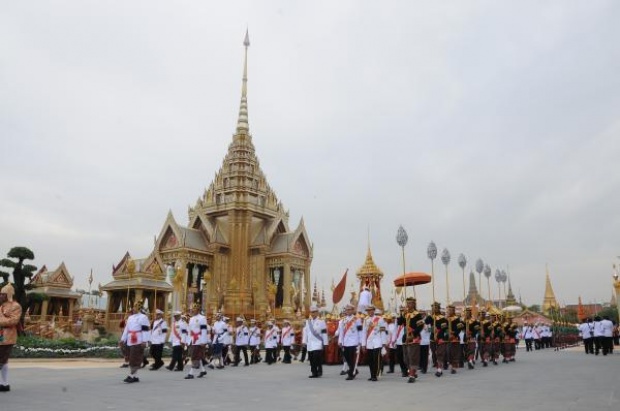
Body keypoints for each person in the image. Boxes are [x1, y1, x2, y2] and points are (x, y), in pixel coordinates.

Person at [119, 300, 151, 383]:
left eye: (136, 307)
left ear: (139, 308)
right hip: (130, 339)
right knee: (130, 357)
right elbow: (126, 329)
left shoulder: (143, 317)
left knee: (135, 358)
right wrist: (123, 339)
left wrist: (144, 341)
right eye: (134, 307)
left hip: (138, 340)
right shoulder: (130, 317)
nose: (133, 308)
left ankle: (131, 376)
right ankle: (135, 376)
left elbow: (145, 330)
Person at [0, 283, 22, 392]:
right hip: (0, 335)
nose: (0, 296)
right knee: (3, 361)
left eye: (3, 294)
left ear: (8, 294)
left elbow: (13, 321)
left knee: (2, 359)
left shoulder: (16, 306)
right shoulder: (1, 306)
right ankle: (4, 383)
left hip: (7, 337)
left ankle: (4, 383)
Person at [401, 297, 425, 383]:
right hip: (405, 337)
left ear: (414, 304)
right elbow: (400, 323)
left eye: (410, 303)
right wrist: (401, 314)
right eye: (407, 303)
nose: (408, 305)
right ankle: (412, 372)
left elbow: (420, 326)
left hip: (414, 337)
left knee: (413, 357)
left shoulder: (417, 314)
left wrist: (413, 334)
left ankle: (411, 375)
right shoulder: (405, 314)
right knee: (406, 358)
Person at [361, 304, 387, 382]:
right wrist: (363, 344)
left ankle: (375, 375)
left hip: (377, 342)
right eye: (368, 311)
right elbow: (364, 333)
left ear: (373, 310)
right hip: (369, 342)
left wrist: (383, 342)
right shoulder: (366, 320)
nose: (369, 312)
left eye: (371, 310)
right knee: (370, 360)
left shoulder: (380, 319)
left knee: (376, 359)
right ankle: (372, 374)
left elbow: (383, 331)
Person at [337, 304, 362, 380]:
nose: (348, 311)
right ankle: (354, 369)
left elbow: (360, 331)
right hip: (345, 342)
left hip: (354, 342)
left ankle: (351, 374)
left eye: (350, 309)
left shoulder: (357, 320)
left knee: (351, 358)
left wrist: (360, 341)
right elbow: (341, 332)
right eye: (347, 310)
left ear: (353, 310)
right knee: (347, 358)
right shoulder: (342, 320)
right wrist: (340, 341)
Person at [302, 305, 328, 378]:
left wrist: (325, 343)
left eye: (314, 312)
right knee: (311, 358)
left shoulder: (321, 322)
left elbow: (324, 333)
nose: (313, 314)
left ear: (317, 313)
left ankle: (319, 370)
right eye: (311, 312)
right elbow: (305, 333)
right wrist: (304, 341)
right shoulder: (308, 322)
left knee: (316, 357)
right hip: (310, 343)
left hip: (317, 342)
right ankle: (314, 372)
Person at [185, 303, 209, 379]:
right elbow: (189, 330)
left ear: (198, 310)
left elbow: (204, 330)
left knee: (194, 356)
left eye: (194, 309)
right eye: (192, 309)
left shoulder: (202, 318)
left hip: (199, 339)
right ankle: (203, 370)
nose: (192, 310)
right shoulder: (191, 319)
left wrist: (203, 341)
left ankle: (191, 373)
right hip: (193, 339)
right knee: (197, 355)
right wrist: (187, 340)